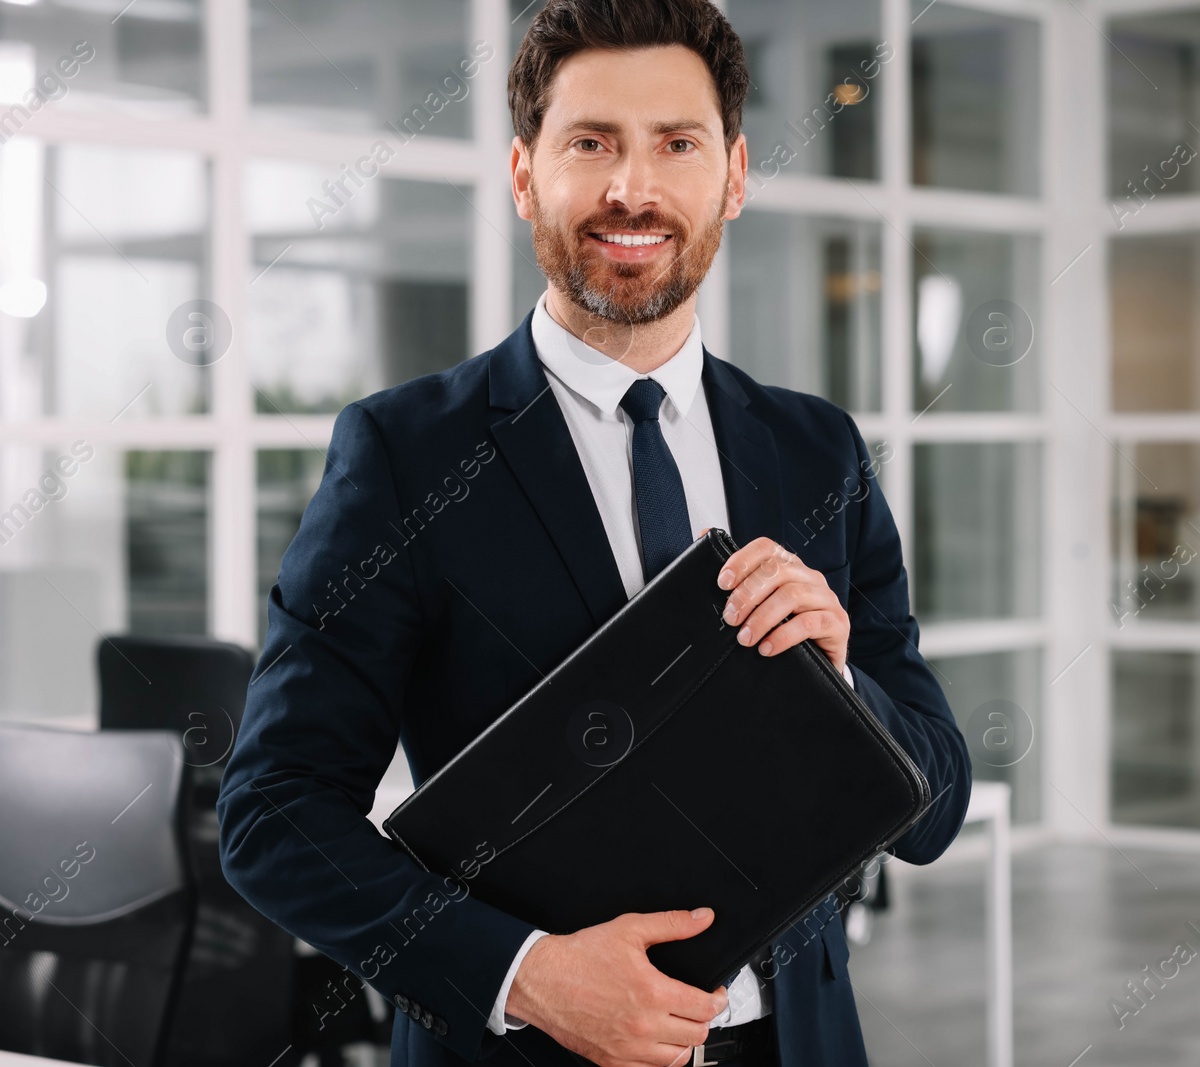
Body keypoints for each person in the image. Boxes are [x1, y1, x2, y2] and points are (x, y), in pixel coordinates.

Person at [216, 1, 971, 1064]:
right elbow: (274, 812)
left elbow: (935, 801)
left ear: (736, 174)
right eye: (591, 143)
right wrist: (524, 972)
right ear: (525, 173)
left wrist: (844, 685)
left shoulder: (816, 452)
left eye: (677, 144)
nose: (633, 189)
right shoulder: (405, 456)